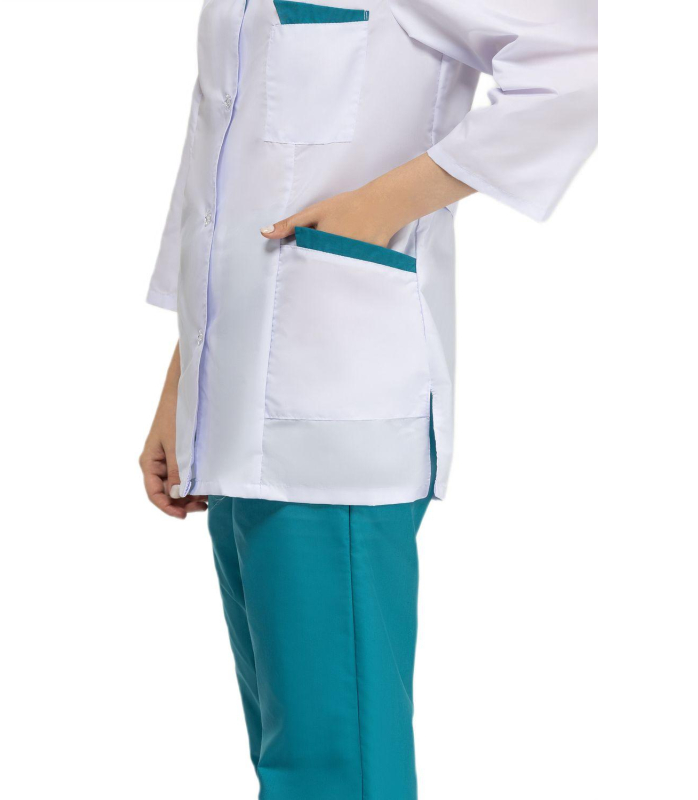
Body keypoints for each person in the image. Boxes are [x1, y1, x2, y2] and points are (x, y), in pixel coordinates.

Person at [139, 1, 597, 797]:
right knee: (290, 758)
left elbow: (582, 67)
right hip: (234, 404)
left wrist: (377, 208)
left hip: (334, 408)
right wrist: (184, 380)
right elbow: (217, 169)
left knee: (337, 765)